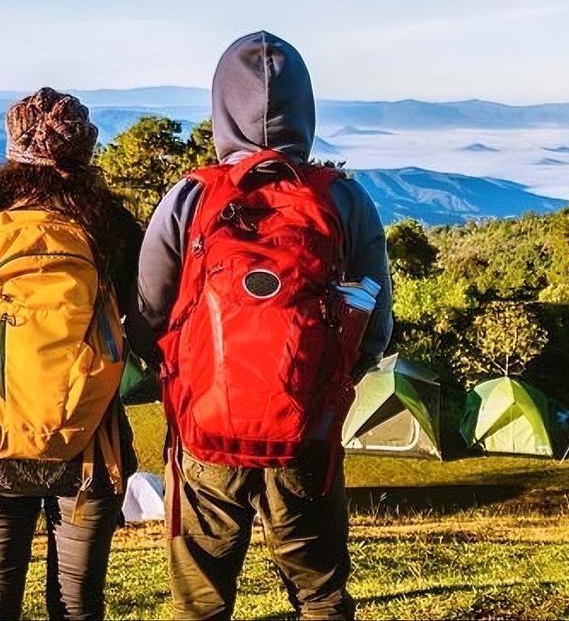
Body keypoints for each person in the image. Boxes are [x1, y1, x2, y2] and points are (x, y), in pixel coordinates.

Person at [138, 31, 393, 621]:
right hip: (306, 430)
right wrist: (322, 378)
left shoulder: (189, 198)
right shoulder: (344, 200)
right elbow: (373, 326)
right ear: (306, 107)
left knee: (201, 600)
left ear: (221, 105)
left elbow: (151, 314)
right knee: (320, 594)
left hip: (207, 432)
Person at [0, 87, 145, 621]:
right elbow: (151, 326)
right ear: (85, 154)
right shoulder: (111, 228)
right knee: (76, 603)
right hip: (90, 445)